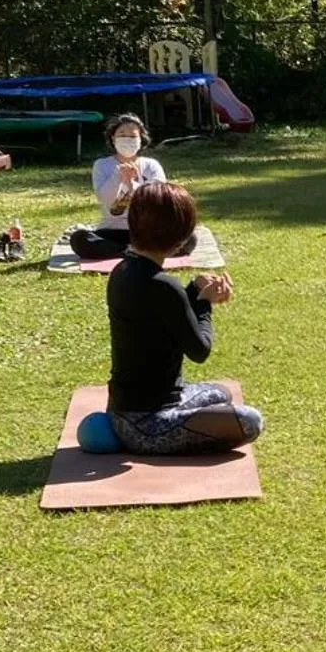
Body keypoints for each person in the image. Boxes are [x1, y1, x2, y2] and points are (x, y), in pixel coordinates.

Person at [106, 181, 263, 455]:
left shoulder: (122, 271)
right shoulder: (164, 285)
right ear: (180, 238)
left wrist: (194, 289)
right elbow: (199, 350)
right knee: (250, 421)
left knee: (220, 393)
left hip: (120, 412)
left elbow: (163, 317)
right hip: (149, 426)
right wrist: (204, 304)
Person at [70, 113, 168, 261]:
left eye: (133, 136)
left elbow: (155, 199)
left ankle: (136, 250)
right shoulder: (102, 165)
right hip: (112, 231)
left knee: (188, 238)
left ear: (141, 140)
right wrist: (118, 177)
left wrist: (133, 183)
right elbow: (107, 200)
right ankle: (129, 251)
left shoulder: (151, 165)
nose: (127, 139)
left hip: (146, 230)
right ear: (113, 138)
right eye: (122, 135)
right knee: (80, 239)